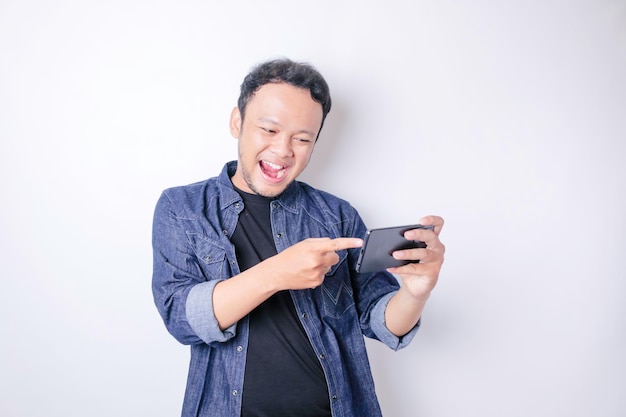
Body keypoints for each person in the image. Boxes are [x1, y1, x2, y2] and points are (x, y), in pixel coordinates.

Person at [152, 58, 445, 417]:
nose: (283, 150)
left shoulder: (336, 214)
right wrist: (277, 273)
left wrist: (416, 292)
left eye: (302, 138)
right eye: (269, 130)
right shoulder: (183, 208)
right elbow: (181, 318)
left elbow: (382, 321)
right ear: (237, 122)